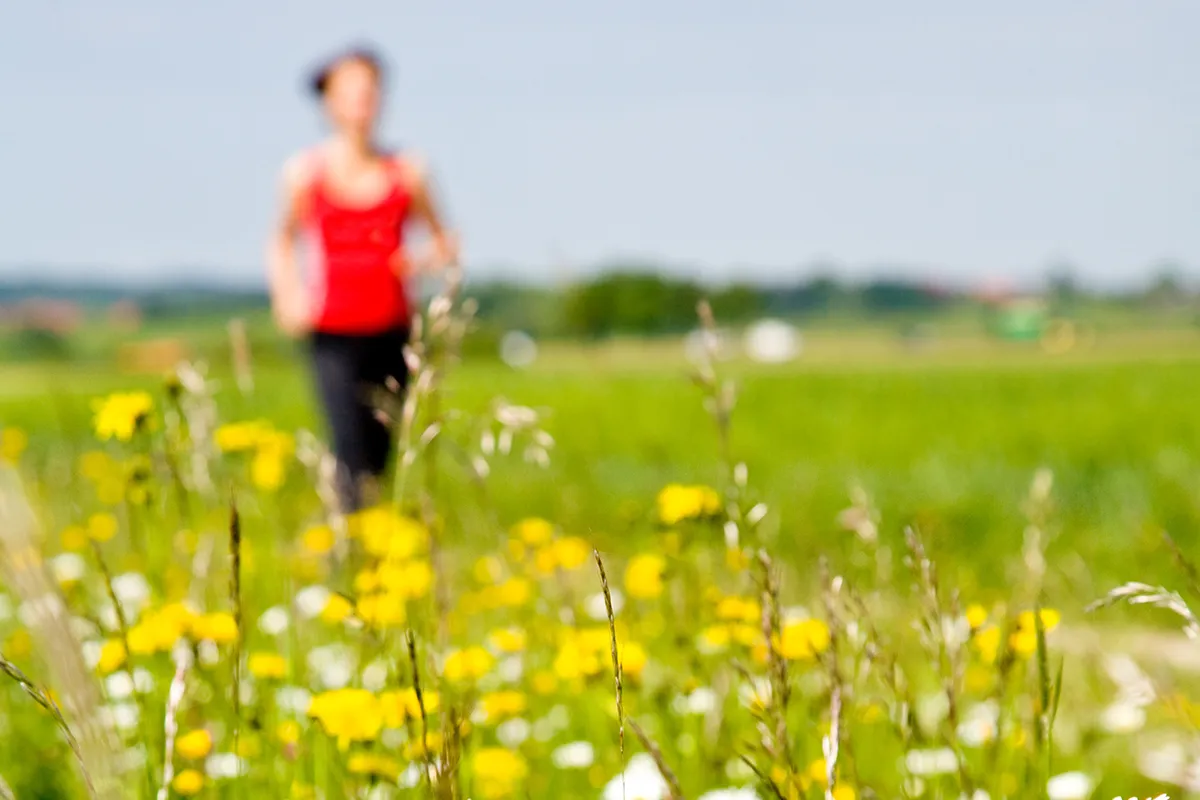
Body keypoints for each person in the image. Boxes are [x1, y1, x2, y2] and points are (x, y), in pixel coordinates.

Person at [267, 45, 458, 512]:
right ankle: (347, 543)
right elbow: (281, 240)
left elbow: (444, 242)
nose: (362, 100)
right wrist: (289, 296)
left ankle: (370, 540)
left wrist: (419, 261)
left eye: (370, 90)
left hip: (393, 328)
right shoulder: (304, 172)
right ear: (329, 101)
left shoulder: (408, 171)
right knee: (348, 444)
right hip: (333, 330)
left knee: (381, 449)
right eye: (350, 91)